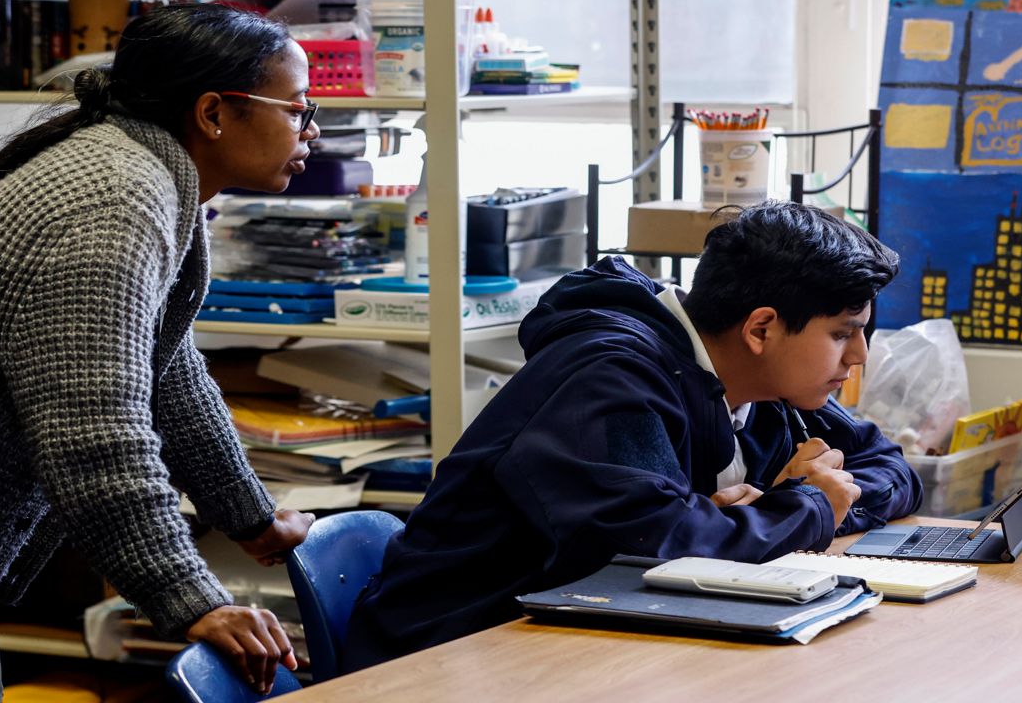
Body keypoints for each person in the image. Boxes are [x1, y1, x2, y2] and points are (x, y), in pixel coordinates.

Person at [0, 3, 321, 702]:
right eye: (298, 110)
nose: (310, 133)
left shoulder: (137, 174)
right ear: (215, 113)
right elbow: (95, 436)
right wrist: (194, 598)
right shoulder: (112, 202)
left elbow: (167, 372)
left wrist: (250, 514)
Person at [344, 200, 924, 671]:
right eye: (843, 332)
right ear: (762, 328)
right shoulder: (609, 376)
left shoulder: (772, 388)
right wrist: (804, 506)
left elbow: (891, 468)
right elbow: (646, 549)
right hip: (451, 656)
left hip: (587, 645)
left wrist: (811, 504)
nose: (859, 355)